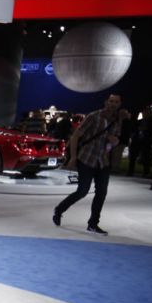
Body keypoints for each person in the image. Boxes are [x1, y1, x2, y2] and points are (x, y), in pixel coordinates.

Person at [52, 94, 124, 235]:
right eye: (111, 101)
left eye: (116, 102)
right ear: (106, 102)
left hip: (103, 161)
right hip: (86, 159)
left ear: (119, 104)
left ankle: (93, 224)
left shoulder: (116, 121)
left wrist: (114, 141)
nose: (113, 104)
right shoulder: (93, 116)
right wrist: (73, 157)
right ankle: (59, 209)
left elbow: (114, 142)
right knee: (82, 191)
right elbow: (75, 136)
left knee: (101, 193)